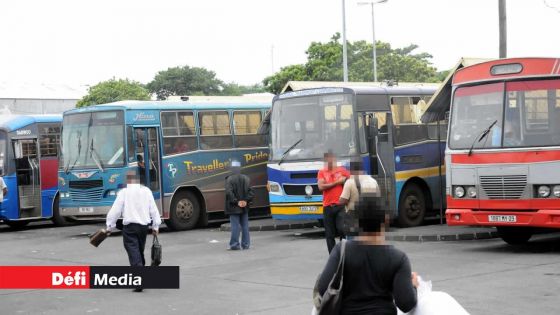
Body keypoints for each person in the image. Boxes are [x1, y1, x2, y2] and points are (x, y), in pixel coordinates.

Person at [316, 194, 419, 315]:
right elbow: (406, 304)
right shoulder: (398, 258)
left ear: (356, 221)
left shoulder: (342, 251)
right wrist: (413, 286)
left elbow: (323, 289)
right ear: (385, 220)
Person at [106, 170, 161, 292]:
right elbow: (153, 209)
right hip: (143, 228)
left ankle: (139, 279)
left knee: (133, 252)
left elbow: (115, 210)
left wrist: (110, 226)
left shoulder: (124, 193)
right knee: (139, 251)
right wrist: (155, 226)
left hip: (130, 227)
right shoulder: (146, 191)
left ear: (128, 181)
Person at [317, 151, 350, 253]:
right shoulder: (322, 172)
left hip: (340, 205)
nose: (329, 161)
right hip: (327, 207)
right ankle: (333, 256)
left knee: (342, 230)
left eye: (331, 158)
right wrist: (337, 182)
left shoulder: (342, 171)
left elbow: (351, 182)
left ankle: (343, 252)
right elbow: (321, 187)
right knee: (329, 234)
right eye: (327, 159)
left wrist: (345, 182)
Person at [339, 158, 380, 237]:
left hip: (354, 219)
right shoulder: (372, 180)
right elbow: (378, 197)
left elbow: (342, 201)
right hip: (371, 218)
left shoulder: (350, 182)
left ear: (351, 169)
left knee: (352, 245)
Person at [225, 160, 254, 250]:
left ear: (232, 169)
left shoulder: (229, 179)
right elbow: (251, 192)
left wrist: (236, 201)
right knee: (245, 226)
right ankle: (246, 245)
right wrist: (245, 201)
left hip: (234, 207)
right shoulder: (246, 178)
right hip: (244, 207)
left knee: (235, 226)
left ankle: (234, 245)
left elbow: (229, 193)